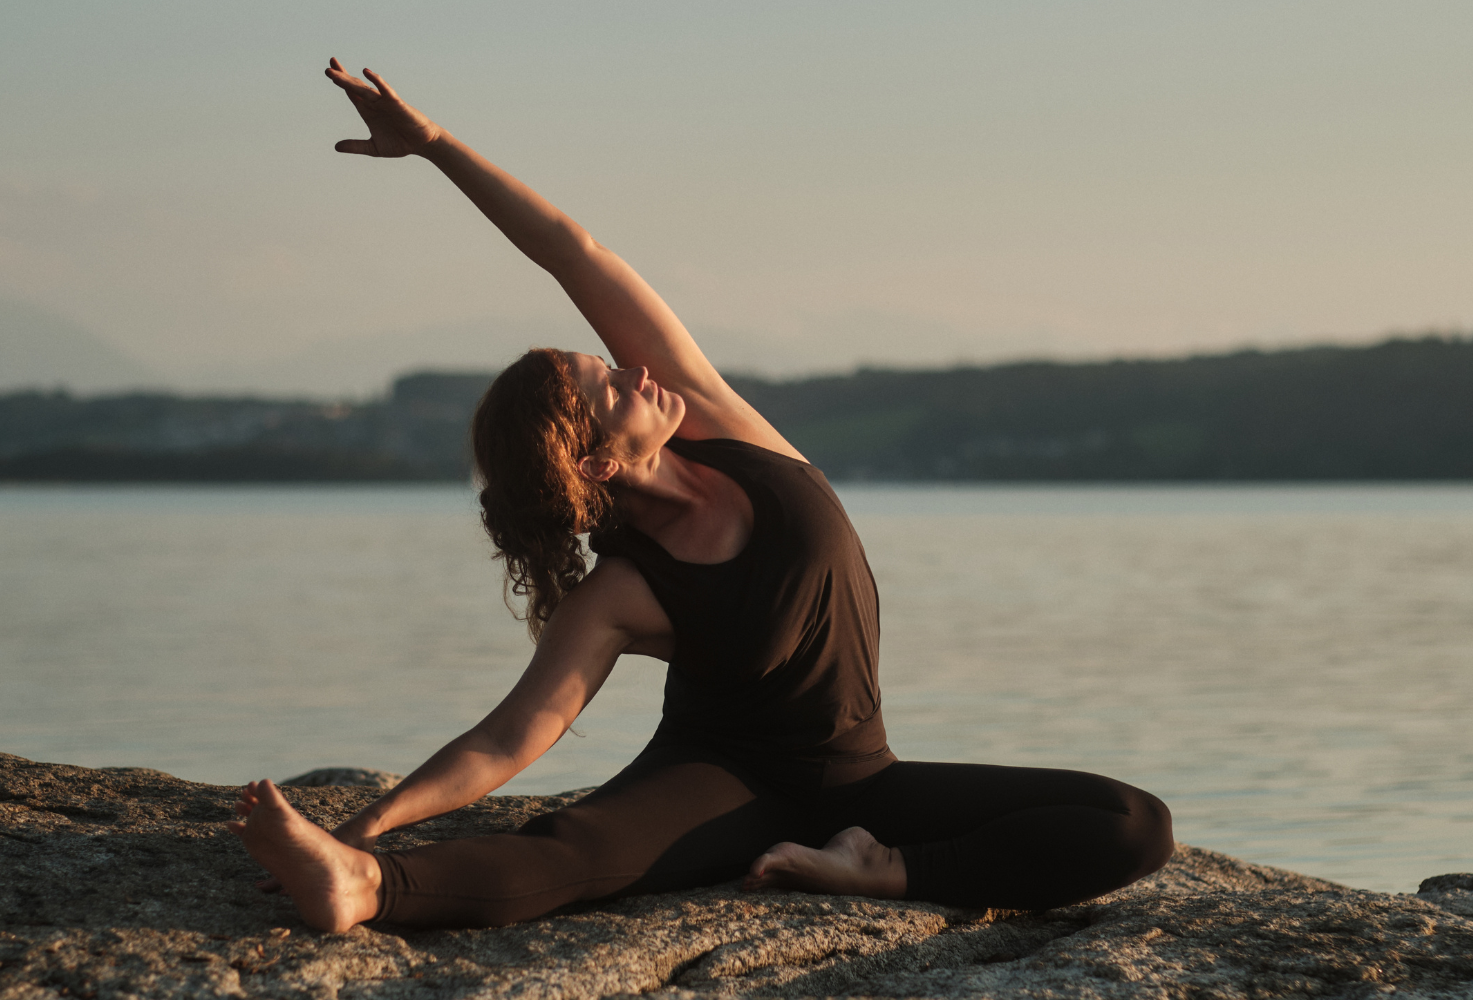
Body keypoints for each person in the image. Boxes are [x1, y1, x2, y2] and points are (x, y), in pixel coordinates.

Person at [228, 58, 1173, 934]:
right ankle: (361, 891)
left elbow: (570, 249)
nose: (633, 375)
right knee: (577, 853)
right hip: (716, 785)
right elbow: (509, 737)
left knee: (1133, 823)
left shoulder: (723, 425)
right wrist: (367, 825)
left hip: (864, 784)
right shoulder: (625, 592)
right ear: (597, 463)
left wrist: (436, 148)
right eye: (609, 387)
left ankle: (880, 872)